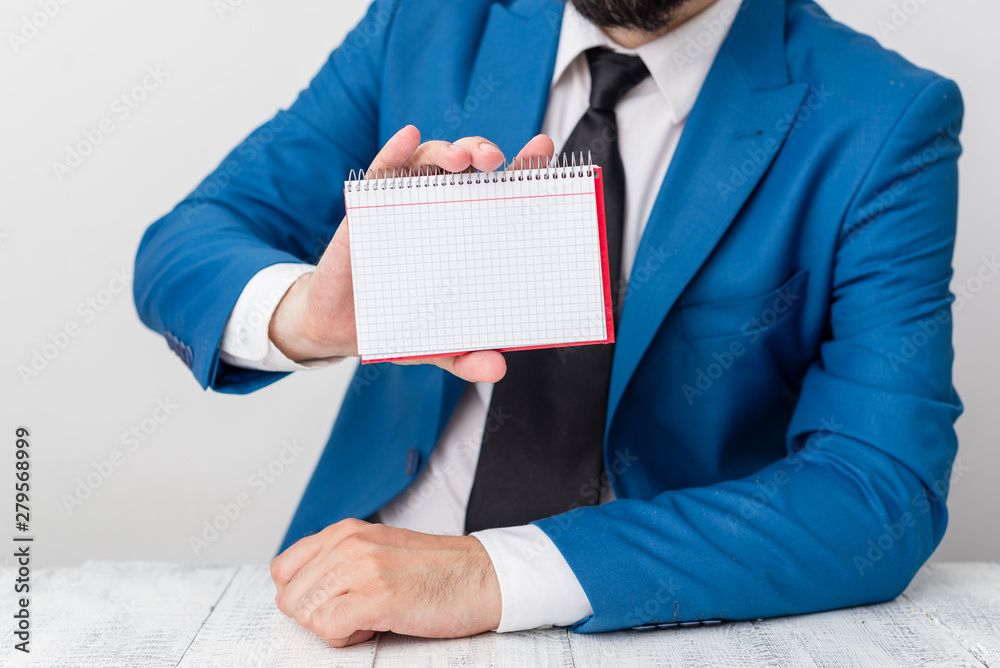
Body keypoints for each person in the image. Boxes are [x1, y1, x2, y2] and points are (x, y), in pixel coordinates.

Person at [134, 0, 964, 648]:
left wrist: (492, 572)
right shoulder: (424, 25)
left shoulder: (881, 119)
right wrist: (310, 316)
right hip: (350, 610)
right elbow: (185, 244)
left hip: (642, 619)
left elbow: (879, 488)